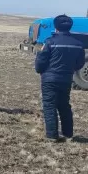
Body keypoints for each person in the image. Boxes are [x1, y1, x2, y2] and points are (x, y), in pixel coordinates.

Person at [35, 14, 85, 142]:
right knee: (64, 105)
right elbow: (80, 64)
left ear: (56, 27)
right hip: (66, 79)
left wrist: (40, 71)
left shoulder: (50, 42)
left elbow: (41, 61)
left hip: (49, 79)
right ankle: (68, 134)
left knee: (49, 105)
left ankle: (52, 135)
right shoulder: (78, 44)